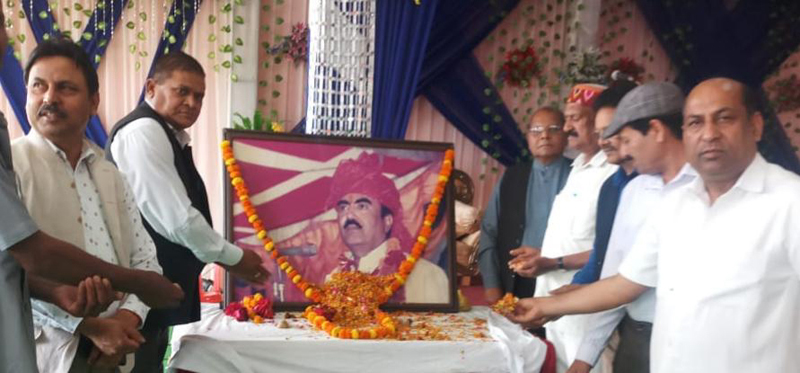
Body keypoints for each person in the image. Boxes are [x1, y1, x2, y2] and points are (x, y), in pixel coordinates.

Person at [511, 77, 800, 372]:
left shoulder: (790, 202)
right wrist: (544, 306)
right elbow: (624, 284)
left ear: (755, 126)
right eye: (695, 123)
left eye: (724, 118)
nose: (709, 134)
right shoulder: (677, 203)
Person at [0, 25, 180, 373]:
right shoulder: (11, 167)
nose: (49, 97)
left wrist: (125, 320)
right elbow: (11, 269)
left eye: (66, 88)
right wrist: (90, 327)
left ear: (93, 102)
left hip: (117, 352)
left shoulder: (110, 174)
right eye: (38, 86)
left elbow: (145, 260)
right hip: (46, 354)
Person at [106, 51, 269, 371]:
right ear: (151, 88)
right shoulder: (143, 131)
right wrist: (232, 258)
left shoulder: (167, 134)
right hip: (136, 289)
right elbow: (176, 218)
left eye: (199, 96)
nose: (192, 103)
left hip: (152, 288)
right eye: (182, 91)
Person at [567, 82, 696, 373]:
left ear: (656, 130)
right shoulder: (634, 191)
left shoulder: (707, 187)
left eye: (624, 138)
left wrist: (550, 306)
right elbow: (615, 275)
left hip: (692, 345)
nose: (620, 148)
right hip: (636, 339)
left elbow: (624, 285)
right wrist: (584, 358)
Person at [511, 83, 618, 373]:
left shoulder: (613, 174)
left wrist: (553, 262)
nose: (567, 127)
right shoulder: (578, 168)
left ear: (599, 122)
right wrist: (542, 254)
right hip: (555, 301)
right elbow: (576, 238)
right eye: (567, 118)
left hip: (588, 307)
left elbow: (613, 250)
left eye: (575, 118)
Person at [326, 152, 449, 303]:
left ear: (387, 221)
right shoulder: (333, 278)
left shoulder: (426, 275)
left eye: (362, 206)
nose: (349, 215)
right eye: (343, 207)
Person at [478, 107, 571, 305]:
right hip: (515, 282)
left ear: (566, 135)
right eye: (536, 130)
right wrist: (491, 284)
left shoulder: (579, 175)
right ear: (528, 138)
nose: (544, 136)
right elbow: (489, 230)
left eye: (553, 129)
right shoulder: (512, 177)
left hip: (563, 280)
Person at [570, 81, 639, 286]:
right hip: (605, 297)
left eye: (610, 131)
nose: (602, 141)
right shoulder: (610, 187)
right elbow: (600, 255)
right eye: (599, 133)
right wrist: (574, 287)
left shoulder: (657, 183)